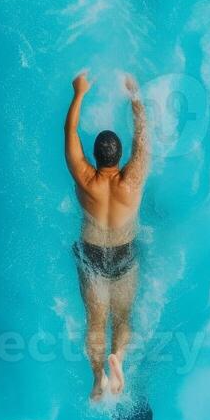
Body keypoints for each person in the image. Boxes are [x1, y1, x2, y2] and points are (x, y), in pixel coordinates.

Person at [64, 70, 149, 402]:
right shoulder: (133, 181)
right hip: (124, 253)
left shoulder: (86, 179)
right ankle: (119, 362)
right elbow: (142, 139)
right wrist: (136, 98)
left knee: (94, 322)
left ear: (96, 157)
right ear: (119, 156)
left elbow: (69, 130)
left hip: (92, 254)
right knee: (122, 317)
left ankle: (98, 377)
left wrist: (79, 93)